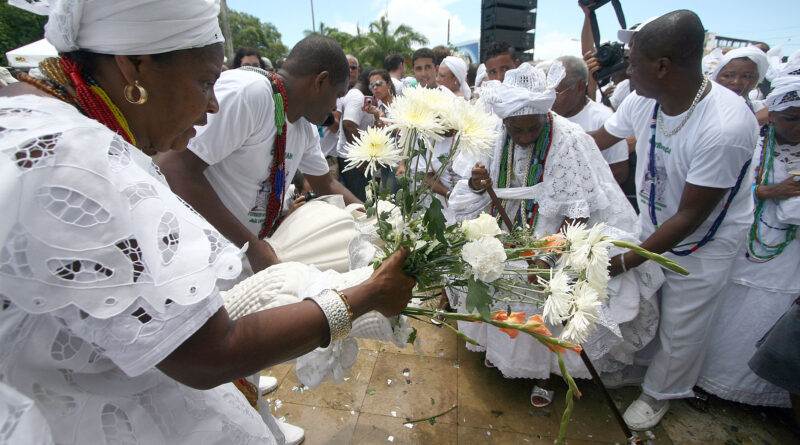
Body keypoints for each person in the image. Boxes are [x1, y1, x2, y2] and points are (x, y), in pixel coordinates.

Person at [0, 2, 415, 445]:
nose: (212, 105)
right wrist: (363, 297)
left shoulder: (45, 120)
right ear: (135, 67)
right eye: (204, 82)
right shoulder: (79, 163)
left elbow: (323, 181)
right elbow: (208, 353)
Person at [447, 62, 663, 408]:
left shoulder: (570, 139)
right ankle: (500, 353)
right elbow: (470, 188)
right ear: (504, 122)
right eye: (515, 130)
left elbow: (577, 211)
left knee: (545, 300)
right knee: (498, 285)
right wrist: (476, 182)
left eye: (532, 128)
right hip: (505, 225)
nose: (524, 137)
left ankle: (545, 373)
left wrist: (547, 256)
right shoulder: (493, 132)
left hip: (558, 229)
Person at [590, 10, 759, 430]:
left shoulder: (726, 125)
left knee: (683, 321)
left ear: (662, 66)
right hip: (652, 221)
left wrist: (626, 260)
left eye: (633, 61)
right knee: (648, 305)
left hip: (702, 242)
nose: (625, 68)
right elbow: (598, 141)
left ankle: (661, 392)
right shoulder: (642, 97)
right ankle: (641, 369)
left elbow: (689, 216)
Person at [159, 35, 362, 275]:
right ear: (320, 81)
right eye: (338, 95)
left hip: (241, 264)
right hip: (195, 263)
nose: (336, 107)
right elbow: (175, 169)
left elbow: (325, 184)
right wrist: (253, 248)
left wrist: (376, 219)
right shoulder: (249, 93)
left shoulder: (304, 127)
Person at [697, 63, 800, 408]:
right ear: (773, 113)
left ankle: (762, 394)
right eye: (790, 118)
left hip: (787, 258)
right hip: (746, 246)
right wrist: (769, 192)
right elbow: (721, 192)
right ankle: (712, 382)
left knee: (767, 314)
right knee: (729, 314)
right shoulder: (751, 145)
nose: (797, 127)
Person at [549, 55, 629, 185]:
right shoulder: (545, 115)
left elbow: (619, 171)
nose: (550, 98)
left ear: (580, 87)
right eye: (547, 91)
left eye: (557, 93)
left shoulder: (603, 118)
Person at [334, 67, 375, 201]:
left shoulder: (357, 95)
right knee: (361, 203)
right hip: (354, 161)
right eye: (374, 83)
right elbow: (349, 125)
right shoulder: (357, 97)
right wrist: (360, 160)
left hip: (353, 159)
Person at [363, 68, 401, 193]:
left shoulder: (399, 104)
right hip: (385, 160)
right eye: (371, 85)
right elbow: (380, 133)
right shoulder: (379, 107)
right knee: (385, 199)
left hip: (398, 160)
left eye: (378, 84)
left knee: (392, 201)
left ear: (389, 84)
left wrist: (382, 119)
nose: (375, 88)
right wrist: (376, 116)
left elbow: (402, 131)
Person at [712, 46, 770, 125]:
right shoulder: (698, 107)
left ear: (757, 80)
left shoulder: (758, 110)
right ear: (716, 77)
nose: (736, 82)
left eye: (747, 76)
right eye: (728, 75)